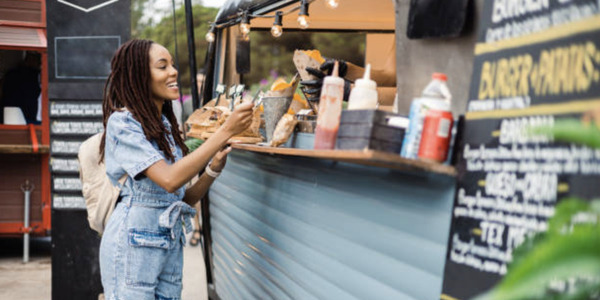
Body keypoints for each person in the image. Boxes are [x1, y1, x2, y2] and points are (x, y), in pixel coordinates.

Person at [98, 39, 254, 300]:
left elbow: (181, 199)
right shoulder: (123, 123)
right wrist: (225, 130)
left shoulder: (164, 127)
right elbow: (169, 180)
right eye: (162, 66)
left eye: (172, 64)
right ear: (139, 75)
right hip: (133, 244)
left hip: (168, 241)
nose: (173, 72)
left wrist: (212, 171)